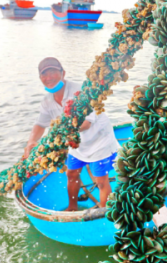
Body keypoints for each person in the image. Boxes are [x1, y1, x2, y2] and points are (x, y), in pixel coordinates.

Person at [23, 57, 118, 211]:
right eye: (44, 75)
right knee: (72, 174)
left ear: (63, 73)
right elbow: (40, 124)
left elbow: (86, 123)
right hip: (76, 143)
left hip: (99, 141)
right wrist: (31, 142)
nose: (49, 78)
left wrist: (59, 134)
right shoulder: (47, 101)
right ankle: (72, 207)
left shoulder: (80, 92)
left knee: (101, 180)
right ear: (41, 78)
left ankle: (105, 214)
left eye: (53, 73)